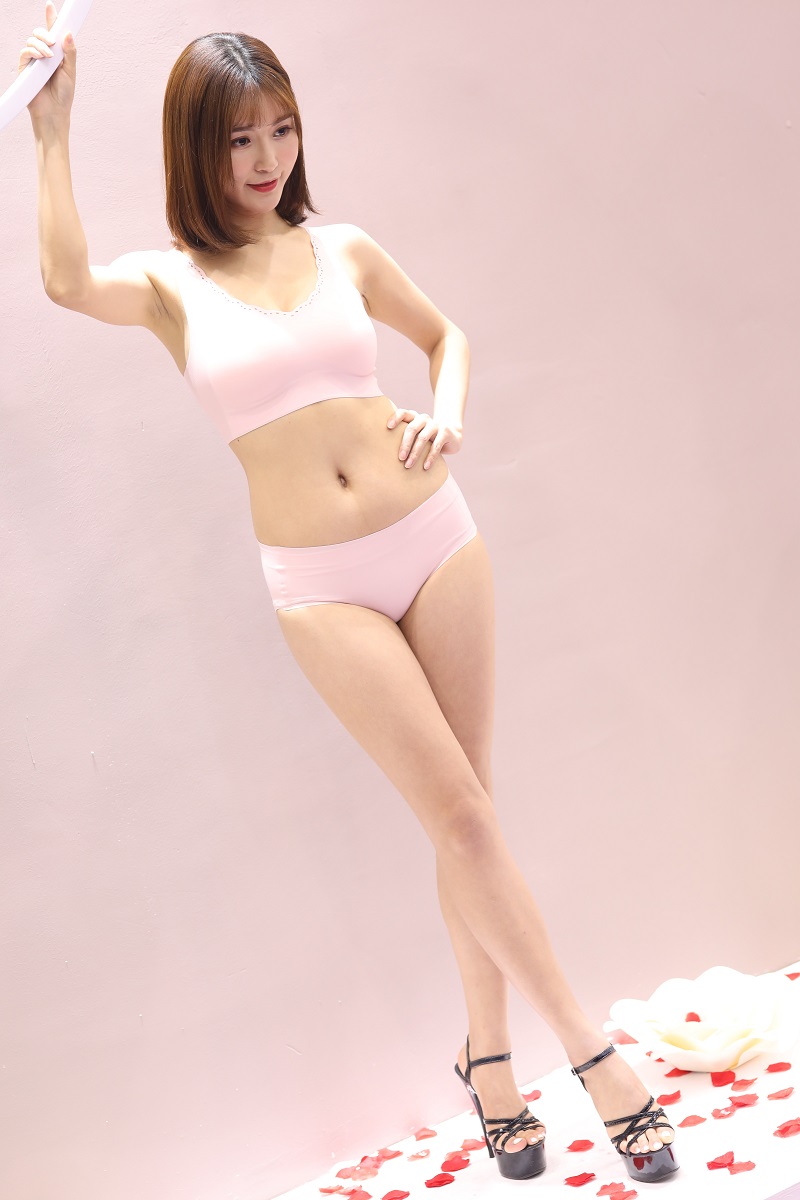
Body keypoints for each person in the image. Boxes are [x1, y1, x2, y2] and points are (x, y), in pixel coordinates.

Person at [22, 4, 679, 1183]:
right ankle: (592, 1056)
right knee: (461, 819)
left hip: (436, 537)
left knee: (466, 817)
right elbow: (66, 281)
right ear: (194, 149)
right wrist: (52, 130)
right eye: (238, 138)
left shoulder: (343, 250)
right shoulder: (170, 284)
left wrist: (449, 414)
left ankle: (488, 1064)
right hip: (323, 586)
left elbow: (446, 336)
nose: (266, 158)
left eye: (280, 129)